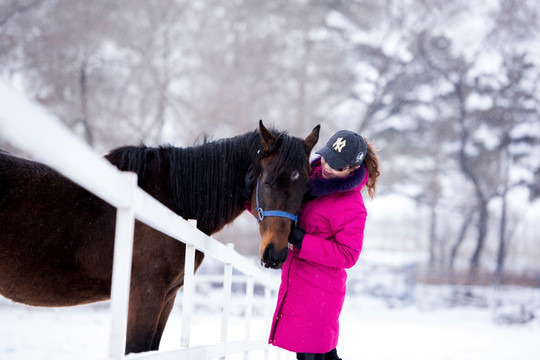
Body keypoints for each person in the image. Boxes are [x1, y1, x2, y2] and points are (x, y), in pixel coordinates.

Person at [268, 130, 380, 360]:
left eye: (338, 167)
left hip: (320, 293)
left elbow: (348, 255)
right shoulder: (306, 181)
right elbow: (280, 213)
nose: (328, 168)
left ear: (353, 169)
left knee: (314, 355)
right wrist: (249, 199)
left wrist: (300, 240)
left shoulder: (351, 205)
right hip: (299, 286)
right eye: (327, 159)